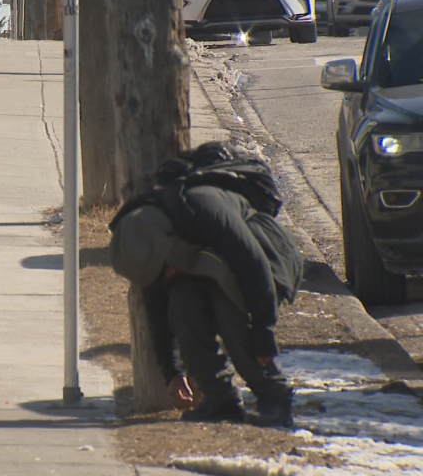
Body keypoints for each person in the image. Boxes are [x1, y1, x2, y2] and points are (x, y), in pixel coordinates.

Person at [108, 142, 303, 428]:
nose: (166, 277)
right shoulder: (150, 246)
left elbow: (254, 267)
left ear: (169, 250)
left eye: (166, 271)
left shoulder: (203, 208)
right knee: (181, 301)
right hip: (215, 266)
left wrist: (264, 331)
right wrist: (171, 373)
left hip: (265, 253)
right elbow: (156, 309)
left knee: (227, 309)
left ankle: (274, 396)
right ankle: (219, 399)